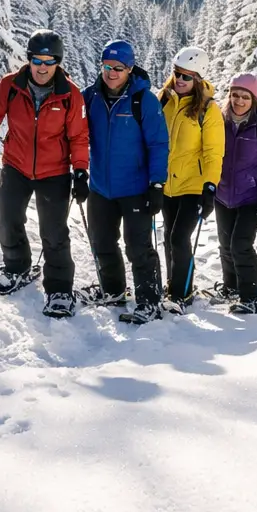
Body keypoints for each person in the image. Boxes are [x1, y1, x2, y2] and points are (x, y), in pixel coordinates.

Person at [0, 29, 91, 317]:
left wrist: (80, 172)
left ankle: (60, 289)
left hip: (54, 172)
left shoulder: (70, 95)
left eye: (49, 61)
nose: (42, 67)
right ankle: (16, 267)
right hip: (16, 165)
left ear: (58, 63)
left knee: (54, 232)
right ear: (28, 60)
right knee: (7, 219)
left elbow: (78, 136)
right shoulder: (11, 86)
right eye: (37, 60)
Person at [81, 39, 168, 321]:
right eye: (107, 66)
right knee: (102, 242)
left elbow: (158, 144)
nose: (111, 73)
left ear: (130, 69)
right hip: (100, 188)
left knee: (138, 247)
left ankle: (149, 301)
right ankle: (113, 291)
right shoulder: (90, 97)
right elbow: (75, 135)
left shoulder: (144, 100)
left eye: (118, 68)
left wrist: (157, 183)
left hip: (135, 188)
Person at [211, 73, 257, 314]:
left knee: (240, 245)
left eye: (244, 96)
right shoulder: (219, 122)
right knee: (225, 245)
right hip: (223, 195)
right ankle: (231, 288)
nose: (238, 101)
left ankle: (251, 297)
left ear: (254, 99)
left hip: (251, 198)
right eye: (234, 95)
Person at [158, 46, 223, 309]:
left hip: (193, 187)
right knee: (168, 237)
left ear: (198, 79)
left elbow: (214, 152)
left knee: (179, 238)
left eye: (186, 76)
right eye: (177, 74)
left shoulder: (208, 109)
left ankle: (181, 293)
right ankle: (174, 284)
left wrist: (209, 186)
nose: (180, 80)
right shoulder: (165, 100)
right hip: (167, 185)